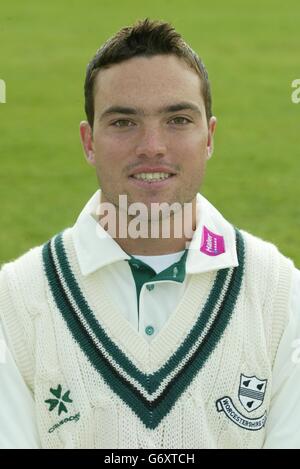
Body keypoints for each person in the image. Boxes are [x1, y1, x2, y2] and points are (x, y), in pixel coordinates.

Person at [0, 18, 299, 449]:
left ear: (209, 137)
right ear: (88, 142)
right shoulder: (15, 302)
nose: (152, 146)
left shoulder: (279, 295)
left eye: (177, 119)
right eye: (124, 122)